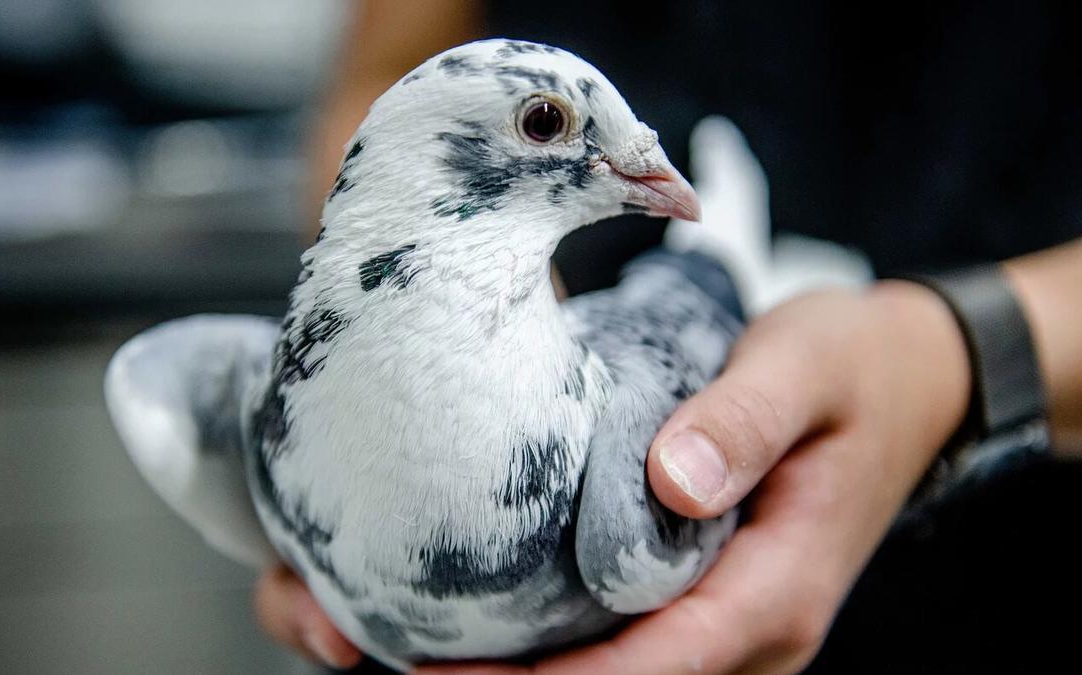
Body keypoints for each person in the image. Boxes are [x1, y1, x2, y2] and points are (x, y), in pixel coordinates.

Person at [255, 1, 1082, 672]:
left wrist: (953, 356)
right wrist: (403, 368)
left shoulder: (630, 491)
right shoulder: (261, 414)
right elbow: (384, 84)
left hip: (1009, 555)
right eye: (548, 121)